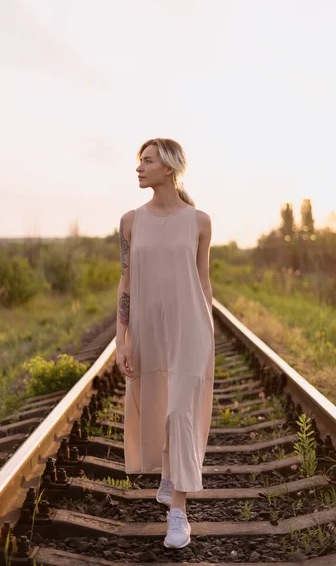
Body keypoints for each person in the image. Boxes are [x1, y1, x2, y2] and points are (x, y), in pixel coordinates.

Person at [115, 138, 215, 549]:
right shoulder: (129, 222)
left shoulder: (200, 221)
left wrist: (208, 331)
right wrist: (121, 339)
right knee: (157, 404)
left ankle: (178, 513)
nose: (139, 168)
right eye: (140, 162)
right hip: (148, 328)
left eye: (148, 162)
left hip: (191, 327)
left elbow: (203, 281)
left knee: (179, 412)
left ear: (170, 168)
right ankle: (168, 473)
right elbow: (126, 282)